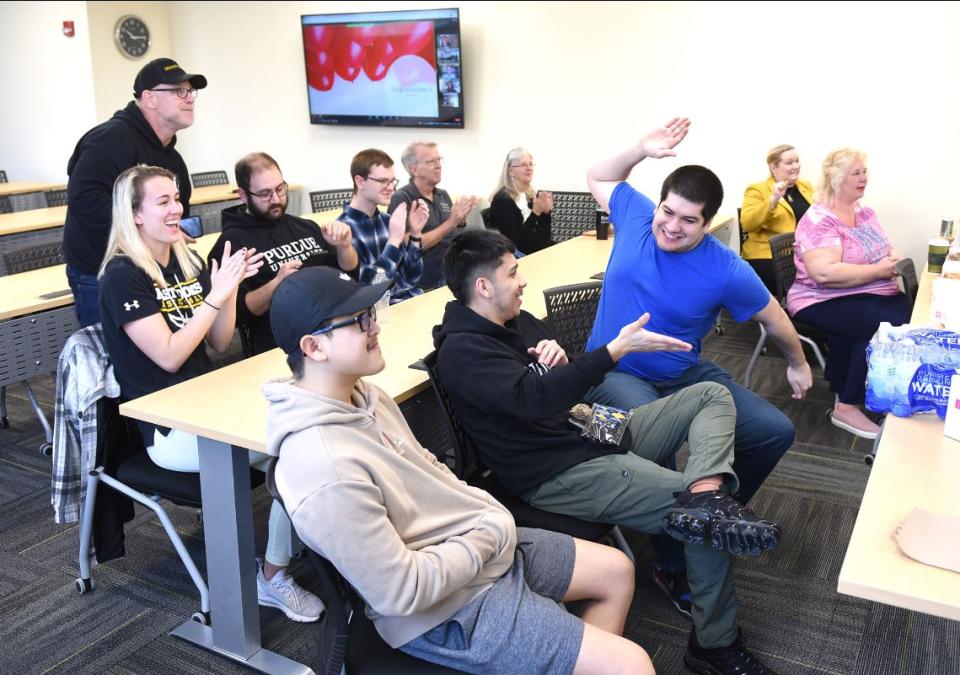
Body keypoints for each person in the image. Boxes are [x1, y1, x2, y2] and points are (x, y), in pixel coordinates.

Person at [264, 265, 655, 675]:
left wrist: (484, 518)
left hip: (472, 544)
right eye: (358, 320)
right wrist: (487, 535)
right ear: (314, 347)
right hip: (441, 610)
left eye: (371, 313)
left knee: (617, 570)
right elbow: (400, 592)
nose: (374, 326)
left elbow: (429, 469)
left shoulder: (366, 396)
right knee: (633, 664)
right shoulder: (323, 466)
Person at [433, 230, 782, 675]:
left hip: (587, 428)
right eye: (513, 271)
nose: (522, 280)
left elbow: (554, 383)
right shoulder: (464, 351)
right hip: (556, 468)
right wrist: (613, 350)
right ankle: (714, 645)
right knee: (707, 523)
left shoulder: (515, 320)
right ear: (483, 287)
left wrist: (559, 355)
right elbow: (534, 399)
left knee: (711, 394)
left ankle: (707, 491)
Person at [583, 118, 813, 620]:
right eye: (668, 211)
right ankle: (672, 562)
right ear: (659, 203)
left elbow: (773, 316)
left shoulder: (725, 266)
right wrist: (640, 148)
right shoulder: (637, 215)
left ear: (708, 224)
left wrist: (797, 362)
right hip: (616, 370)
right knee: (657, 434)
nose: (671, 225)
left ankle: (710, 515)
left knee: (774, 431)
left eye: (688, 220)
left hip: (685, 373)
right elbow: (599, 175)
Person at [98, 165, 323, 623]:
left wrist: (230, 286)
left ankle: (283, 565)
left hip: (208, 403)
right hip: (170, 429)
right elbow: (168, 357)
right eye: (163, 201)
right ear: (135, 215)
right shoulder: (122, 275)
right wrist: (215, 298)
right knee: (295, 445)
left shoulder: (185, 259)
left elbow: (218, 343)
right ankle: (274, 578)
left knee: (308, 440)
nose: (177, 208)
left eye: (177, 198)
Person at [64, 57, 207, 327]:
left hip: (150, 270)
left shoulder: (172, 158)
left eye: (191, 92)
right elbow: (84, 201)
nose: (190, 98)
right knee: (114, 362)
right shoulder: (108, 140)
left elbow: (179, 209)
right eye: (179, 91)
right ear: (149, 98)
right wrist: (147, 227)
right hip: (100, 273)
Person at [787, 149, 911, 439]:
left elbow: (885, 247)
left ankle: (877, 389)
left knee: (903, 313)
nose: (863, 178)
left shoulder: (864, 212)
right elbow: (824, 273)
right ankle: (847, 406)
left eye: (864, 171)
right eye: (856, 173)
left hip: (860, 291)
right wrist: (879, 272)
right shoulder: (819, 219)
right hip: (818, 298)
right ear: (836, 178)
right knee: (878, 327)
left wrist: (892, 259)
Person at [207, 152, 357, 354]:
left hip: (332, 330)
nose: (276, 199)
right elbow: (239, 316)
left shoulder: (306, 226)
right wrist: (278, 283)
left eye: (280, 188)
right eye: (264, 194)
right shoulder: (232, 244)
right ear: (243, 195)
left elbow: (348, 276)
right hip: (281, 346)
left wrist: (344, 247)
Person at [338, 149, 429, 302]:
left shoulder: (387, 221)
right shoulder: (343, 232)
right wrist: (393, 242)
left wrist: (415, 234)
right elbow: (371, 291)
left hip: (410, 303)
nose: (391, 187)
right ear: (360, 181)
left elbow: (411, 278)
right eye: (382, 181)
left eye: (392, 181)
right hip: (381, 314)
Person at [389, 141, 477, 290]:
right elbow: (406, 245)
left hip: (454, 273)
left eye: (439, 160)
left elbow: (452, 232)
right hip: (425, 283)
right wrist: (451, 223)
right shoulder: (403, 198)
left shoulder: (442, 194)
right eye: (431, 161)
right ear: (414, 169)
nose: (438, 165)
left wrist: (460, 220)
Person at [740, 144, 815, 293]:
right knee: (807, 283)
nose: (796, 166)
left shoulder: (806, 187)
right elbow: (747, 224)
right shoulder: (757, 189)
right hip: (767, 255)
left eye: (797, 161)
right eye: (789, 162)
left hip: (801, 253)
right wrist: (772, 200)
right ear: (773, 167)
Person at [489, 148, 555, 254]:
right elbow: (517, 242)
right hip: (519, 255)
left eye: (531, 164)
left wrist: (546, 214)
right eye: (523, 165)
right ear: (511, 170)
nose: (529, 168)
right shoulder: (502, 200)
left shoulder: (530, 195)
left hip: (535, 250)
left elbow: (544, 236)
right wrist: (536, 213)